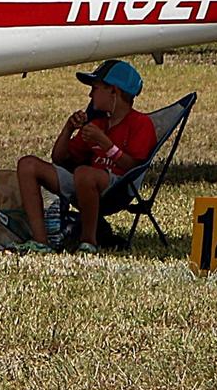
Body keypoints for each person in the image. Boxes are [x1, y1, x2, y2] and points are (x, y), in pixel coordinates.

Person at [14, 59, 157, 253]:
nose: (90, 94)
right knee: (27, 165)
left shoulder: (141, 123)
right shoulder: (98, 124)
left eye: (95, 88)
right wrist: (68, 128)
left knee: (84, 173)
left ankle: (89, 241)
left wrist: (106, 144)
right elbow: (59, 158)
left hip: (118, 187)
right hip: (84, 182)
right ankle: (40, 241)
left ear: (114, 91)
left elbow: (132, 167)